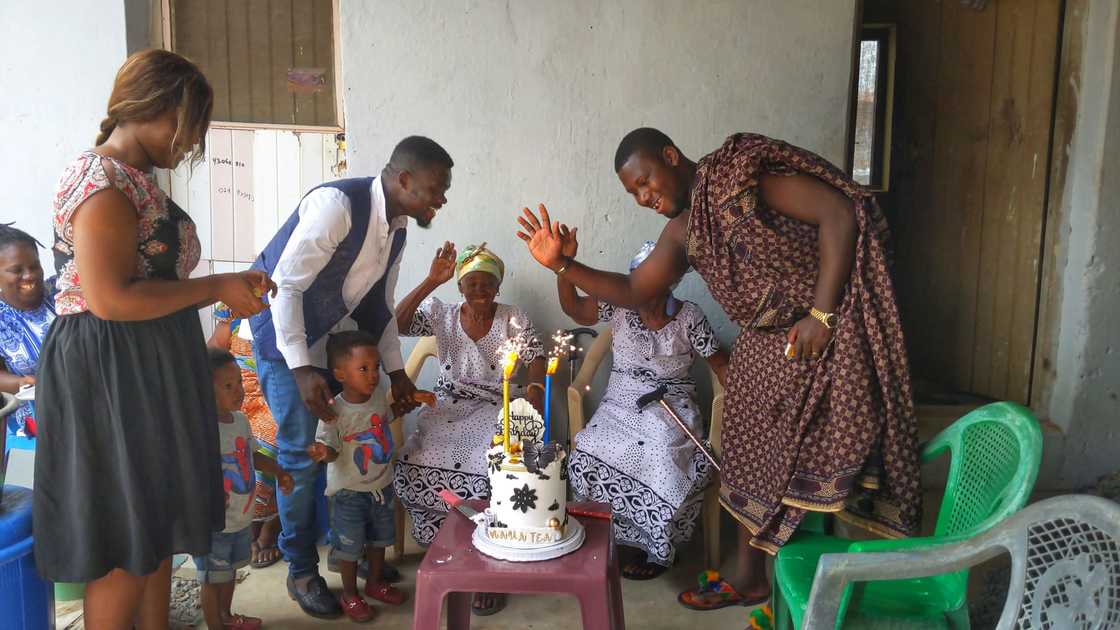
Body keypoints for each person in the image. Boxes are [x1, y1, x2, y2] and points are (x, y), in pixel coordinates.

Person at [516, 128, 920, 610]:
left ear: (671, 156)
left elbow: (838, 212)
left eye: (645, 181)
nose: (644, 197)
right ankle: (749, 576)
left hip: (826, 325)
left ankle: (856, 576)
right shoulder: (684, 230)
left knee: (835, 452)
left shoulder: (739, 178)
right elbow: (634, 290)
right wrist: (562, 265)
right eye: (633, 193)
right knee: (745, 445)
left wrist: (822, 315)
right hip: (769, 338)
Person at [34, 49, 274, 629]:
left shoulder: (136, 180)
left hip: (144, 365)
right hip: (110, 371)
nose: (188, 144)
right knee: (125, 541)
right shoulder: (101, 181)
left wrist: (224, 285)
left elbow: (154, 280)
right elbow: (111, 298)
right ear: (153, 107)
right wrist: (214, 284)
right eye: (185, 127)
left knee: (157, 526)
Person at [248, 136, 452, 619]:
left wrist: (398, 373)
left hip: (333, 348)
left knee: (359, 436)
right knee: (301, 457)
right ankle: (301, 571)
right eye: (436, 187)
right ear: (404, 179)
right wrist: (301, 369)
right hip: (283, 343)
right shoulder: (337, 206)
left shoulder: (398, 228)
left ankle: (354, 555)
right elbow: (286, 286)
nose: (442, 198)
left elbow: (378, 307)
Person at [559, 239, 729, 579]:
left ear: (669, 281)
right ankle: (609, 538)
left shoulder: (690, 316)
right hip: (620, 404)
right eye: (637, 278)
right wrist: (563, 263)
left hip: (670, 408)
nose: (643, 286)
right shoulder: (618, 307)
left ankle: (657, 549)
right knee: (590, 449)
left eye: (651, 278)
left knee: (664, 458)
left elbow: (721, 365)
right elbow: (575, 309)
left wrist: (749, 399)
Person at [393, 242, 544, 615]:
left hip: (497, 404)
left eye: (487, 284)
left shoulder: (512, 317)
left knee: (492, 463)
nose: (479, 291)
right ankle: (447, 548)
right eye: (471, 284)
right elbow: (397, 323)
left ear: (498, 287)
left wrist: (536, 392)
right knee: (415, 457)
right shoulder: (441, 314)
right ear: (460, 287)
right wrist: (431, 281)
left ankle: (490, 560)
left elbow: (537, 356)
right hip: (449, 405)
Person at [308, 331, 408, 622]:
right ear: (340, 373)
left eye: (376, 367)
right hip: (349, 493)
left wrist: (404, 405)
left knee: (379, 541)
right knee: (349, 550)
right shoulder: (333, 411)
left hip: (381, 486)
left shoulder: (377, 397)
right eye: (363, 368)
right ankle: (350, 595)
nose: (373, 374)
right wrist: (322, 452)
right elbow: (332, 449)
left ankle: (375, 582)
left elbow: (384, 418)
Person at [194, 349, 293, 630]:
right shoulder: (202, 429)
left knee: (229, 574)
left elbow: (252, 455)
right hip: (214, 524)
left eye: (239, 381)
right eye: (228, 386)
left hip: (240, 519)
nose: (238, 390)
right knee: (212, 579)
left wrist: (278, 471)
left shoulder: (239, 420)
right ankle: (216, 625)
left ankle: (227, 617)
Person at [207, 304, 284, 569]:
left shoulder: (295, 299)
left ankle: (267, 528)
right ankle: (245, 525)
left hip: (271, 399)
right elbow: (213, 351)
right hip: (233, 399)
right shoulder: (234, 308)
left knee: (273, 440)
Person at [0, 224, 55, 438]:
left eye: (35, 266)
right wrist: (23, 383)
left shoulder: (62, 294)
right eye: (17, 270)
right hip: (35, 425)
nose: (30, 276)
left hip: (90, 407)